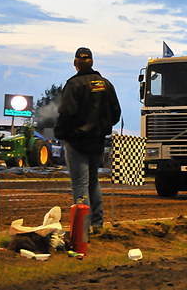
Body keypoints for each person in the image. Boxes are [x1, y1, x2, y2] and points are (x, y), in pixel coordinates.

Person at [54, 47, 121, 234]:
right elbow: (116, 113)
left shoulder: (74, 85)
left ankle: (82, 231)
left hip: (77, 142)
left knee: (80, 185)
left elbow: (66, 113)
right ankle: (97, 224)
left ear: (75, 63)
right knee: (93, 182)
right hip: (98, 142)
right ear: (92, 62)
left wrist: (60, 133)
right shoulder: (106, 84)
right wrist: (101, 128)